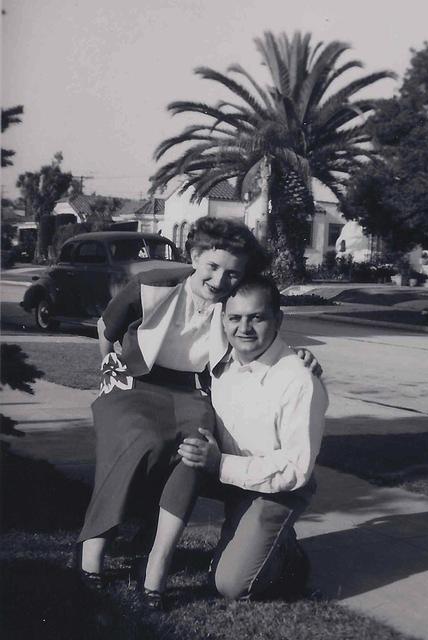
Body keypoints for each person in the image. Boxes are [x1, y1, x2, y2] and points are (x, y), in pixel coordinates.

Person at [76, 217, 318, 605]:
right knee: (140, 440)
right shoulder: (153, 284)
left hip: (191, 392)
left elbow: (259, 331)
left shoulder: (230, 303)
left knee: (197, 447)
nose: (221, 280)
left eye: (232, 273)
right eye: (213, 267)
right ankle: (93, 550)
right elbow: (107, 328)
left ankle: (159, 560)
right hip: (136, 383)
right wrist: (109, 372)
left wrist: (299, 355)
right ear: (194, 256)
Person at [172, 274, 328, 603]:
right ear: (223, 320)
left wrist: (220, 464)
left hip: (280, 489)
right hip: (230, 476)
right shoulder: (222, 362)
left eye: (256, 317)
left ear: (277, 319)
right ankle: (148, 543)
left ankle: (289, 560)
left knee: (231, 585)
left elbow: (294, 470)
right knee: (161, 454)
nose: (244, 328)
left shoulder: (299, 381)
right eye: (235, 318)